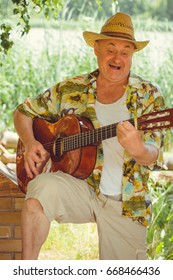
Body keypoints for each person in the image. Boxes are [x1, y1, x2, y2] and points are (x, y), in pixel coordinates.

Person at [13, 12, 165, 260]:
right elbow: (22, 112)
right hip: (81, 188)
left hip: (124, 203)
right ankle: (26, 270)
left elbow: (152, 153)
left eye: (125, 52)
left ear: (132, 55)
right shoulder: (72, 88)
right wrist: (30, 143)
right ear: (96, 48)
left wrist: (138, 149)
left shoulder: (148, 96)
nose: (118, 58)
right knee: (37, 193)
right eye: (111, 49)